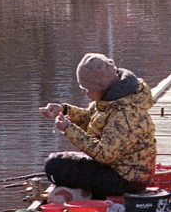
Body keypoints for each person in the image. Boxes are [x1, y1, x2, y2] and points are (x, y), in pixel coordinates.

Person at [40, 53, 156, 200]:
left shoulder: (125, 113)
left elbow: (105, 155)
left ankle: (87, 195)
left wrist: (68, 129)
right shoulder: (111, 100)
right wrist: (64, 109)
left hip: (128, 180)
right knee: (57, 162)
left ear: (100, 87)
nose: (84, 92)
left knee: (55, 166)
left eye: (85, 89)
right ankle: (86, 192)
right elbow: (91, 118)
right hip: (116, 168)